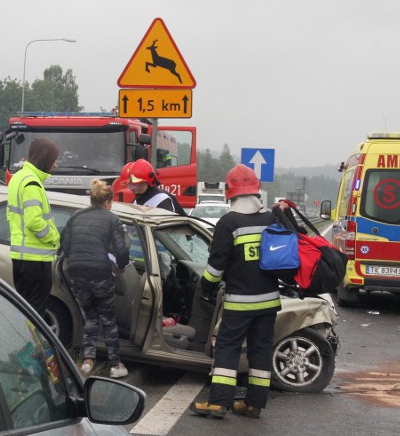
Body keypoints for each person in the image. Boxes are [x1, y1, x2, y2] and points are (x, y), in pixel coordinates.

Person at [191, 165, 281, 420]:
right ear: (256, 190)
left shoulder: (229, 222)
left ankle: (219, 402)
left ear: (230, 193)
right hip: (269, 302)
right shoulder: (270, 220)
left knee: (227, 349)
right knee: (260, 351)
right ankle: (254, 404)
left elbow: (216, 265)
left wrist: (205, 288)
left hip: (239, 304)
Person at [60, 179, 130, 379]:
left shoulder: (76, 216)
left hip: (77, 273)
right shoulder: (111, 219)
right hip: (100, 273)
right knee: (108, 318)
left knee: (89, 316)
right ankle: (115, 365)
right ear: (108, 201)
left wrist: (75, 261)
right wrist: (122, 266)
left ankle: (88, 361)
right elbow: (121, 249)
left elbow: (65, 243)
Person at [7, 138, 61, 317]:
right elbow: (33, 221)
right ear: (45, 159)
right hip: (35, 259)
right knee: (35, 313)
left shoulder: (18, 178)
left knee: (25, 309)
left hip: (21, 257)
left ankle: (25, 342)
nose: (55, 164)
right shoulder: (32, 183)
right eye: (54, 159)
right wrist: (54, 237)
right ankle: (32, 344)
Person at [120, 159, 185, 215]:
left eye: (137, 184)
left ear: (148, 182)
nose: (132, 188)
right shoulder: (137, 200)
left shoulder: (162, 200)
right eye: (130, 185)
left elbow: (167, 227)